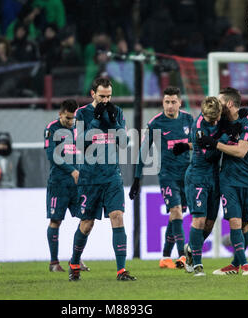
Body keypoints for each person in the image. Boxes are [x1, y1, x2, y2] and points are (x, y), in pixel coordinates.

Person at [68, 78, 136, 281]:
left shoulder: (117, 112)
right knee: (87, 223)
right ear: (93, 94)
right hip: (90, 177)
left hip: (112, 176)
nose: (106, 100)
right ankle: (74, 262)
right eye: (102, 96)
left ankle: (121, 270)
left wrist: (114, 122)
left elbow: (124, 143)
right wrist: (97, 120)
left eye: (109, 96)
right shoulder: (81, 113)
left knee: (117, 217)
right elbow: (80, 144)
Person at [129, 86, 193, 270]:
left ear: (179, 102)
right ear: (162, 102)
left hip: (186, 175)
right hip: (167, 175)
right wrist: (136, 178)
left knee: (175, 217)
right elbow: (143, 151)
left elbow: (198, 143)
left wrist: (188, 146)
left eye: (173, 102)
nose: (170, 106)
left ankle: (165, 257)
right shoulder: (156, 123)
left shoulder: (188, 119)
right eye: (167, 102)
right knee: (176, 211)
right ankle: (183, 256)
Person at [196, 87, 248, 276]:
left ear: (230, 104)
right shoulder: (221, 121)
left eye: (221, 101)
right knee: (234, 221)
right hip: (228, 179)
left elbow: (240, 152)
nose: (217, 104)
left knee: (245, 225)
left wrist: (215, 144)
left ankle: (235, 263)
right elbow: (205, 114)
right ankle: (245, 265)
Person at [44, 99, 89, 272]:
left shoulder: (80, 129)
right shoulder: (52, 129)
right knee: (56, 220)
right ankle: (54, 263)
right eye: (67, 118)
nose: (71, 122)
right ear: (60, 114)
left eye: (73, 119)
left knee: (86, 219)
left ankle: (75, 259)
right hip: (59, 183)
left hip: (78, 184)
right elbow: (51, 155)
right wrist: (72, 170)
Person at [182, 97, 223, 276]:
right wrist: (226, 140)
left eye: (216, 119)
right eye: (211, 119)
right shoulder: (198, 127)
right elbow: (209, 156)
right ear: (204, 114)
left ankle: (191, 248)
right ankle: (197, 264)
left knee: (209, 224)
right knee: (199, 220)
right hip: (198, 176)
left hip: (215, 177)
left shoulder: (219, 120)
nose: (214, 122)